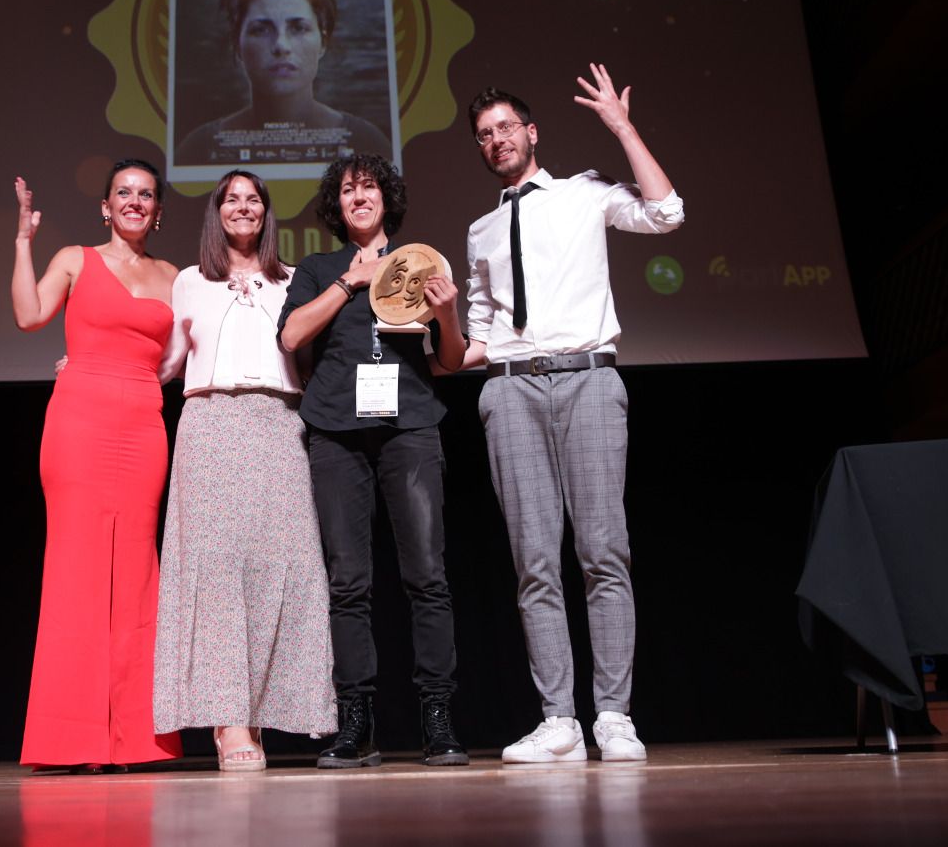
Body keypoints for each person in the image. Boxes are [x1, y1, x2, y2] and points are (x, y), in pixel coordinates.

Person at [456, 64, 684, 763]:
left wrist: (620, 126)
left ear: (531, 133)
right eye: (484, 135)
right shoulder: (480, 230)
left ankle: (613, 714)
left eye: (506, 128)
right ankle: (559, 719)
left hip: (586, 380)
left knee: (602, 551)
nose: (497, 140)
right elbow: (477, 335)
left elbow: (666, 214)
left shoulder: (585, 194)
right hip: (511, 389)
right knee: (533, 562)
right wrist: (433, 313)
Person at [276, 153, 470, 768]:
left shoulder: (420, 263)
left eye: (370, 188)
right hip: (336, 432)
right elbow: (290, 337)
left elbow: (448, 361)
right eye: (348, 190)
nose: (360, 197)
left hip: (410, 428)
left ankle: (437, 717)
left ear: (387, 198)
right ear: (336, 205)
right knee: (348, 583)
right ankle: (355, 722)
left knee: (427, 577)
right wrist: (348, 283)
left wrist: (446, 312)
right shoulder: (318, 267)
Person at [153, 170, 337, 771]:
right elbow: (169, 364)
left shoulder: (293, 281)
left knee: (280, 573)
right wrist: (102, 366)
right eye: (231, 199)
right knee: (216, 577)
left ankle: (262, 715)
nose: (242, 207)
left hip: (278, 426)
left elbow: (310, 358)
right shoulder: (188, 282)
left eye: (253, 199)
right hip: (209, 425)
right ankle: (230, 724)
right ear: (216, 212)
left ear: (266, 213)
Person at [10, 159, 182, 771]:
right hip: (79, 424)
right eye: (123, 193)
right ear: (106, 206)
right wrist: (24, 244)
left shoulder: (174, 276)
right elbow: (30, 316)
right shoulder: (75, 259)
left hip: (142, 425)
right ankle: (69, 739)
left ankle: (135, 740)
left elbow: (180, 356)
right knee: (76, 574)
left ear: (158, 211)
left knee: (137, 577)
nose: (134, 202)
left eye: (145, 195)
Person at [177, 0, 392, 166]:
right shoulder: (199, 148)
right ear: (238, 45)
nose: (281, 45)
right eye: (261, 30)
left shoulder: (367, 143)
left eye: (298, 28)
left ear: (323, 43)